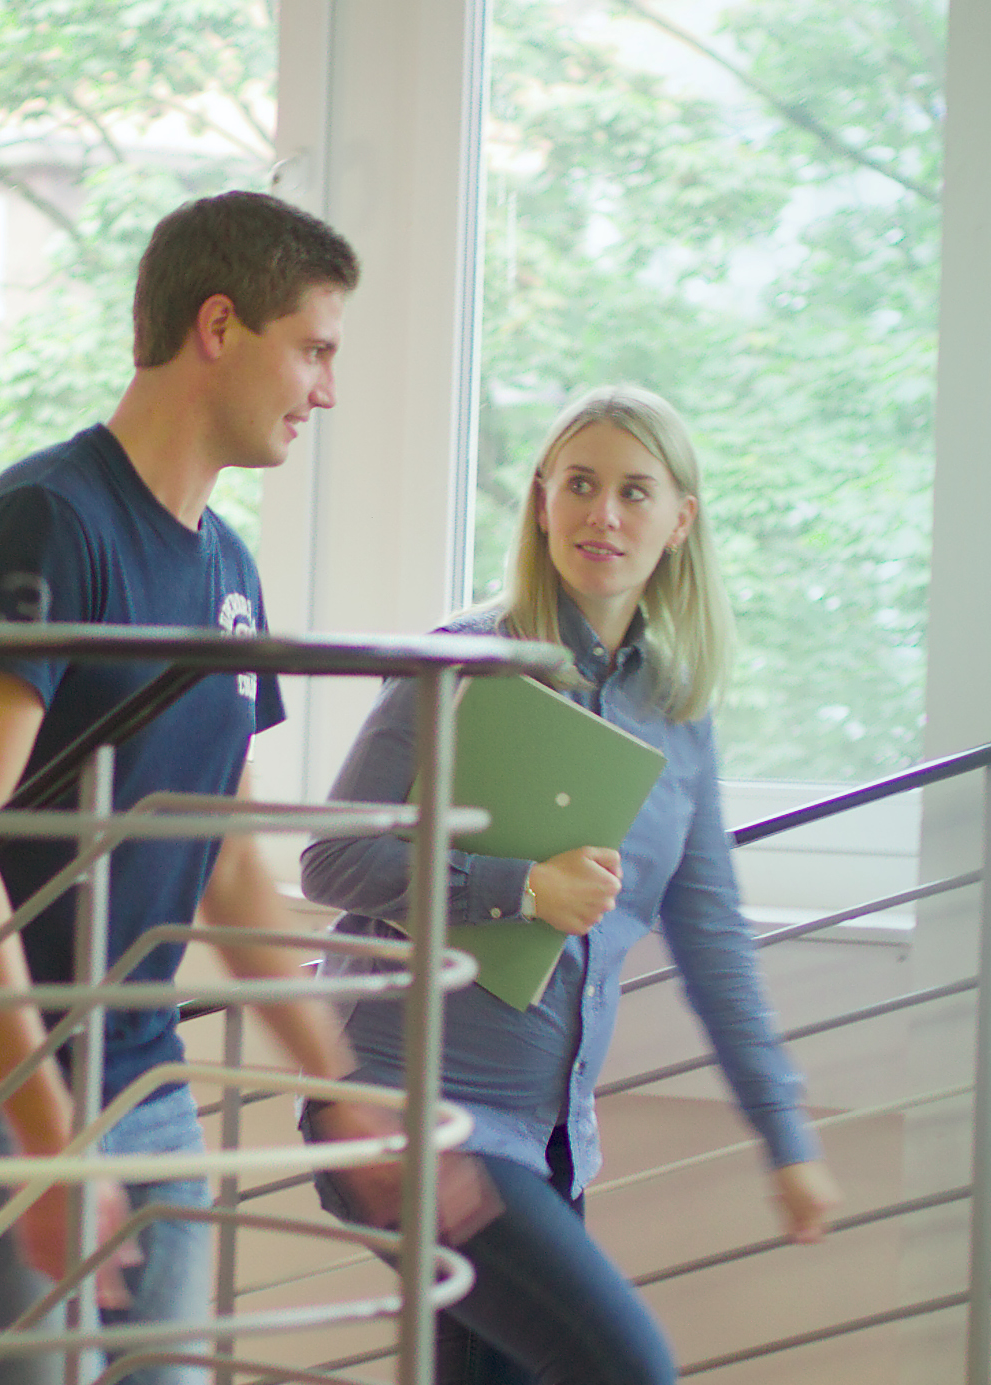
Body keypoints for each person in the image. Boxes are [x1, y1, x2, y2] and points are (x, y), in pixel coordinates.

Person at [0, 190, 388, 1385]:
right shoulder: (46, 523)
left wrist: (340, 1085)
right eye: (312, 348)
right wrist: (44, 1139)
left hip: (135, 1065)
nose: (324, 390)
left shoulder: (228, 568)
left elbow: (228, 858)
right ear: (216, 327)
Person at [296, 385, 840, 1385]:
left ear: (680, 521)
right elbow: (331, 858)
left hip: (548, 1143)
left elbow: (713, 941)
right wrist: (517, 887)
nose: (603, 514)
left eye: (635, 492)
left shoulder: (675, 712)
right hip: (415, 1114)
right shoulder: (460, 660)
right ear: (540, 500)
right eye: (579, 484)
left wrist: (784, 1132)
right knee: (625, 1364)